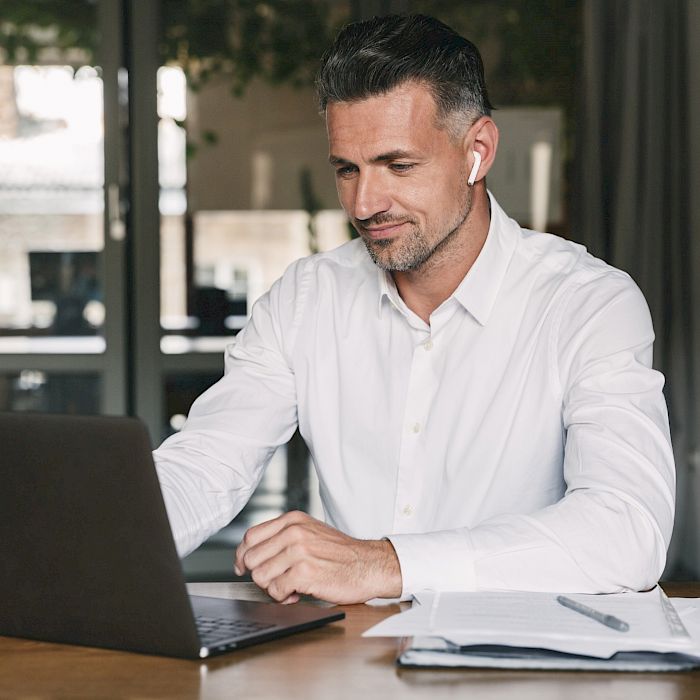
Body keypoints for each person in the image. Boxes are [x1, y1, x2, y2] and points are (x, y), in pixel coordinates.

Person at [154, 14, 675, 605]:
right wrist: (101, 535)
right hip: (352, 663)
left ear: (477, 151)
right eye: (347, 169)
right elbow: (204, 465)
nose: (365, 202)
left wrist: (385, 564)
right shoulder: (305, 299)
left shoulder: (588, 303)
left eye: (398, 166)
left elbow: (627, 530)